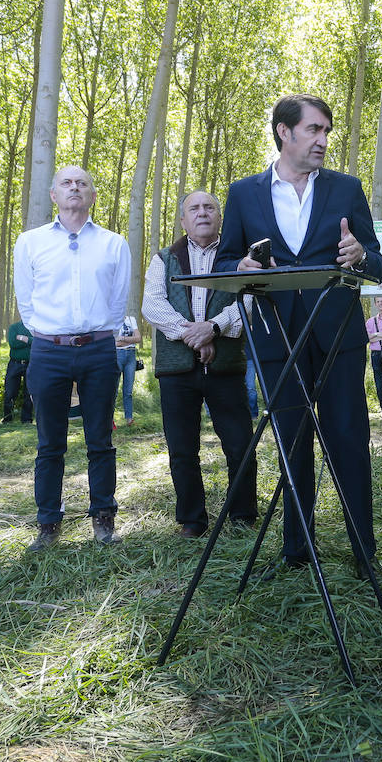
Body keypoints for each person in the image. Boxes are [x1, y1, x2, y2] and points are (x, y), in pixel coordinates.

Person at [215, 93, 382, 578]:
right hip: (274, 338)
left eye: (327, 131)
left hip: (337, 337)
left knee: (348, 440)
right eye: (314, 130)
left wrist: (359, 257)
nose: (323, 140)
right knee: (291, 442)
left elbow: (376, 262)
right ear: (283, 132)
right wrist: (243, 266)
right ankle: (296, 551)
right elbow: (227, 261)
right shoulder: (244, 193)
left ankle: (363, 552)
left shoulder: (346, 189)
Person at [14, 165, 131, 550]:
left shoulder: (114, 243)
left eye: (82, 183)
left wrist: (100, 333)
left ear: (93, 195)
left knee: (101, 439)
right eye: (66, 182)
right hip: (48, 351)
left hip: (99, 349)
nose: (75, 188)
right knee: (50, 442)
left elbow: (118, 301)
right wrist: (48, 333)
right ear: (54, 195)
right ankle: (48, 522)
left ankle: (103, 517)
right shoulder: (30, 242)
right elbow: (26, 302)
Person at [142, 189, 258, 537]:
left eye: (210, 207)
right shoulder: (164, 258)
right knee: (182, 450)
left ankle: (242, 517)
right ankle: (192, 521)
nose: (202, 213)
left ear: (220, 217)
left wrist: (213, 328)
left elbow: (249, 300)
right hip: (177, 370)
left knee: (239, 445)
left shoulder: (239, 257)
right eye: (194, 208)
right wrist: (193, 335)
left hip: (226, 369)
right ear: (183, 220)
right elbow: (153, 305)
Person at [2, 313, 33, 423]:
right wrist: (29, 341)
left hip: (31, 364)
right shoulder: (14, 327)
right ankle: (7, 418)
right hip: (15, 364)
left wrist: (23, 338)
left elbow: (37, 343)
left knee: (29, 392)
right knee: (10, 391)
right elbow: (13, 343)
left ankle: (26, 419)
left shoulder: (36, 328)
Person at [365, 296, 382, 421]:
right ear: (375, 304)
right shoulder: (370, 321)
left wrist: (376, 334)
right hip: (376, 354)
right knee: (379, 386)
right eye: (378, 302)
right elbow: (367, 338)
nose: (380, 304)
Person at [114, 314, 142, 427]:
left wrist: (122, 339)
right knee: (113, 390)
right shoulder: (111, 321)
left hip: (131, 356)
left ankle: (129, 419)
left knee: (128, 391)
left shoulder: (131, 319)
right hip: (117, 355)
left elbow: (138, 338)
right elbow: (113, 343)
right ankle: (109, 420)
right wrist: (131, 340)